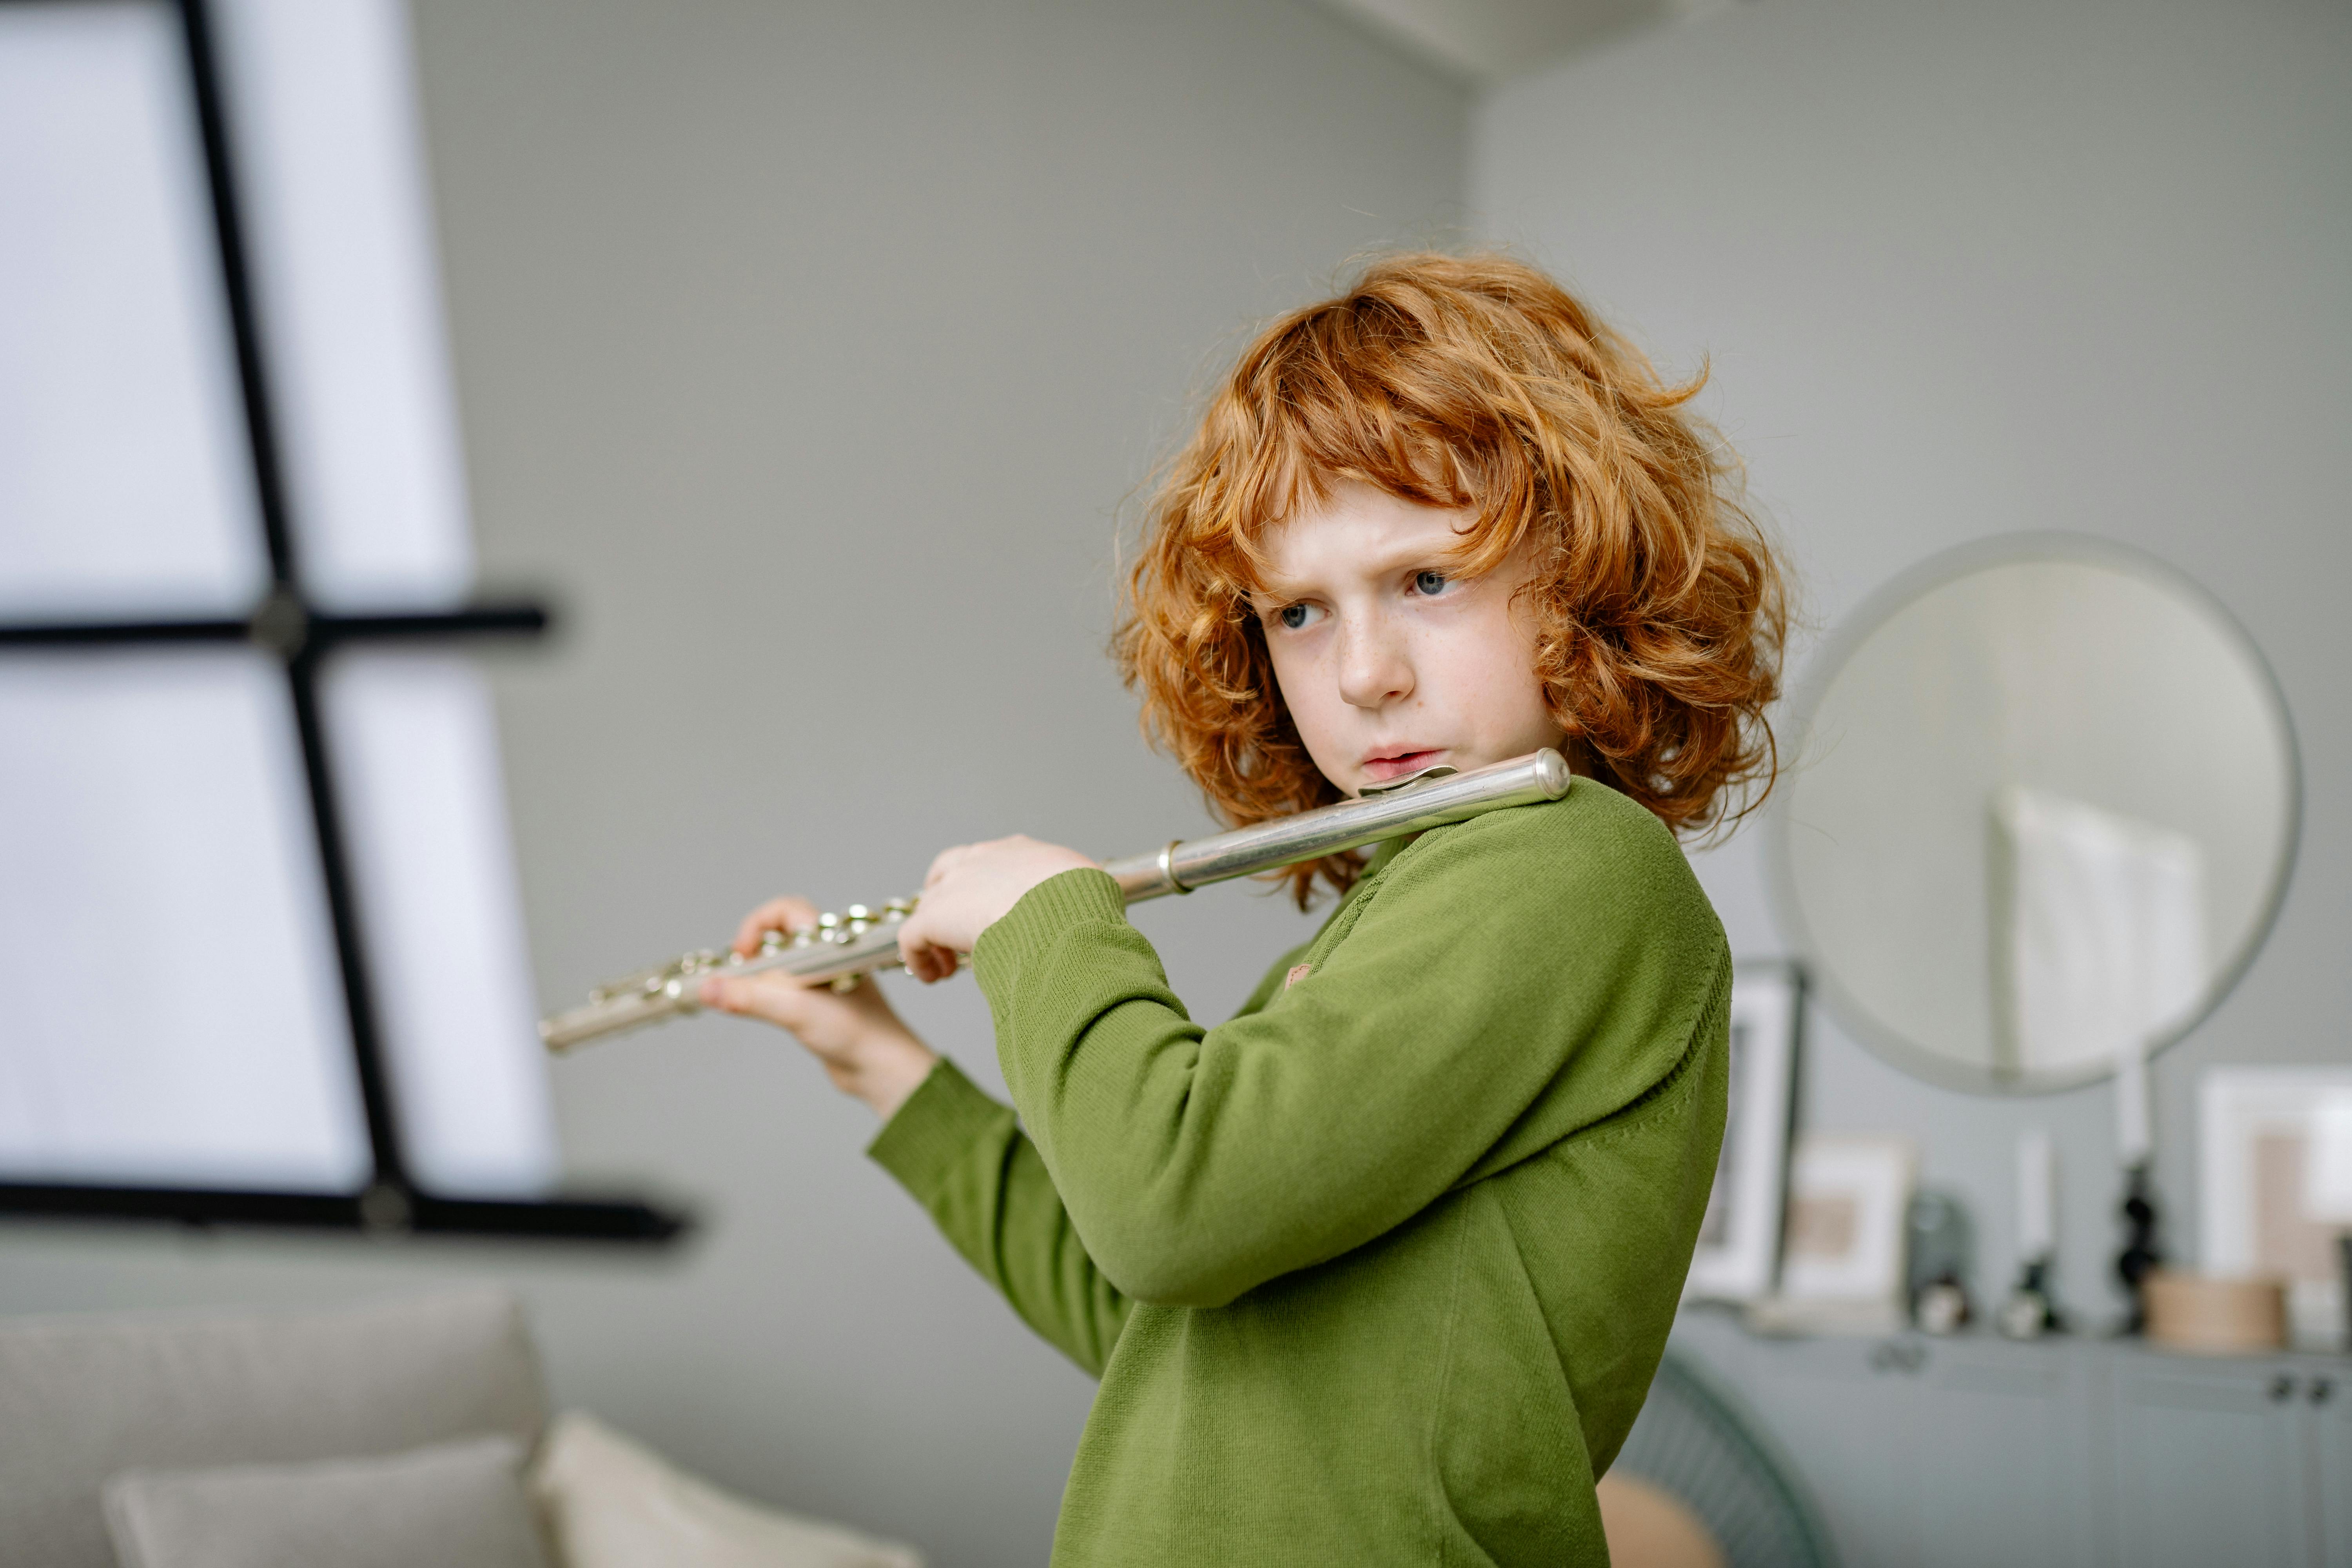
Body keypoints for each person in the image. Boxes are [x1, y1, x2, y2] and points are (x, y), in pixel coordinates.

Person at [702, 252, 1788, 1566]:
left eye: (1427, 581)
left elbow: (1170, 1204)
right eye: (1300, 613)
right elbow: (1160, 1315)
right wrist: (881, 1066)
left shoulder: (1570, 869)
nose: (1367, 674)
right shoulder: (1418, 900)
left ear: (1582, 569)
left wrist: (1056, 921)